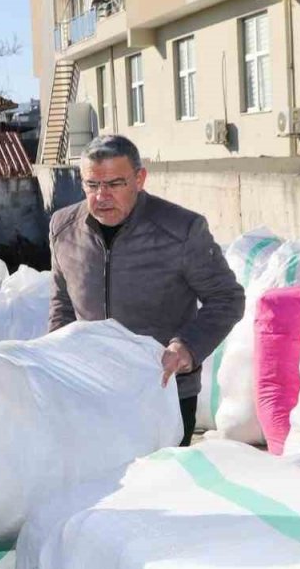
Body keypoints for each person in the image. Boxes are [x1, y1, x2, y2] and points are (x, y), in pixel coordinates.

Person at [48, 135, 244, 444]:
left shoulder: (182, 231)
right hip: (92, 391)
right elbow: (62, 302)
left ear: (140, 178)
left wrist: (187, 348)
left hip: (164, 393)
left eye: (114, 184)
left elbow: (227, 298)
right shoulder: (63, 228)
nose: (102, 197)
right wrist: (57, 355)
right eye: (92, 185)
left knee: (162, 488)